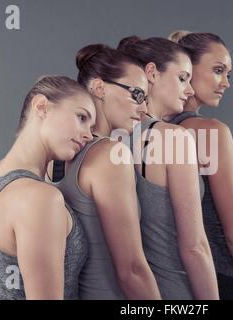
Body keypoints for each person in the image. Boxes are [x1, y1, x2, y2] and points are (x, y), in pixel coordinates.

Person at [52, 44, 161, 299]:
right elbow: (132, 270)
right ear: (100, 88)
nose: (144, 109)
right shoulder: (112, 155)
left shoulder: (56, 155)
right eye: (136, 94)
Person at [168, 30, 233, 300]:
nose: (226, 82)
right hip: (221, 278)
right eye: (218, 70)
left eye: (228, 74)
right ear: (187, 69)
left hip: (173, 284)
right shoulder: (211, 132)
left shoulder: (149, 132)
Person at [0, 76, 94, 299]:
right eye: (81, 117)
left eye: (91, 126)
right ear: (41, 106)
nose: (88, 134)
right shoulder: (40, 198)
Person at [118, 36, 219, 300]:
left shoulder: (104, 137)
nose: (189, 90)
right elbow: (194, 247)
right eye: (183, 78)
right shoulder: (174, 138)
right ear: (152, 73)